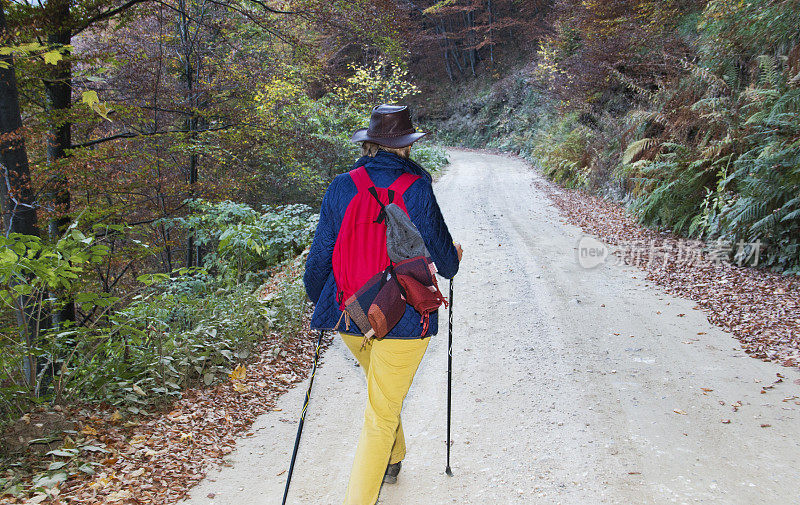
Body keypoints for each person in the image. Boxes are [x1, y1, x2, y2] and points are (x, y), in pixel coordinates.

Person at [303, 104, 462, 505]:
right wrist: (455, 258)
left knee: (382, 397)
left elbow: (321, 253)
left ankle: (394, 458)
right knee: (382, 411)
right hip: (405, 316)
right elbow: (445, 261)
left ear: (370, 141)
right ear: (406, 145)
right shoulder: (418, 185)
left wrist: (318, 298)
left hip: (351, 313)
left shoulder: (342, 184)